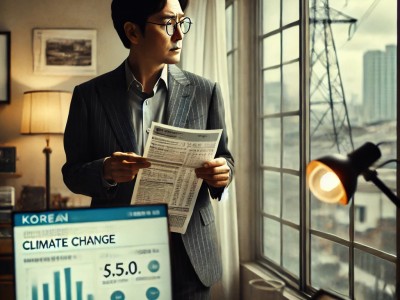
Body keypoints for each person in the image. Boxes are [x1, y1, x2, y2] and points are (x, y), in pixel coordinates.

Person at [62, 0, 234, 298]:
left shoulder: (206, 91)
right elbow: (73, 174)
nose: (180, 34)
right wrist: (105, 170)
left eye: (183, 22)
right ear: (133, 32)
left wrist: (223, 174)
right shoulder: (89, 96)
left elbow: (226, 159)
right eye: (169, 23)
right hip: (118, 253)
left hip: (189, 252)